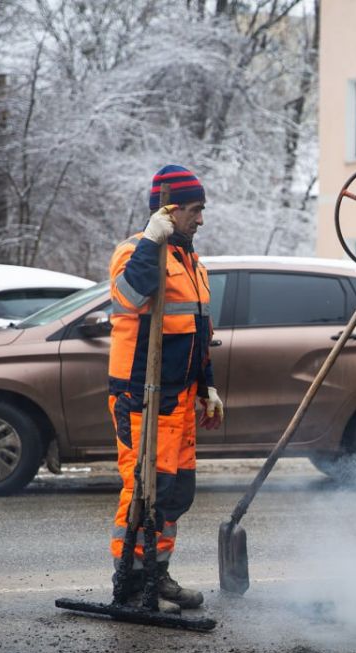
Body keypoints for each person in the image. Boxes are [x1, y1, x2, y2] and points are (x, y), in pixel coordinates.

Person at [106, 164, 223, 613]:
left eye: (202, 209)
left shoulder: (193, 264)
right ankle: (131, 585)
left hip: (178, 399)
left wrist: (207, 386)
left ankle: (157, 574)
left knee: (174, 494)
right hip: (142, 395)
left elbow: (197, 330)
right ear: (169, 211)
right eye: (194, 210)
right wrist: (153, 240)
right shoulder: (137, 251)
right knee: (143, 492)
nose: (201, 219)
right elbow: (131, 299)